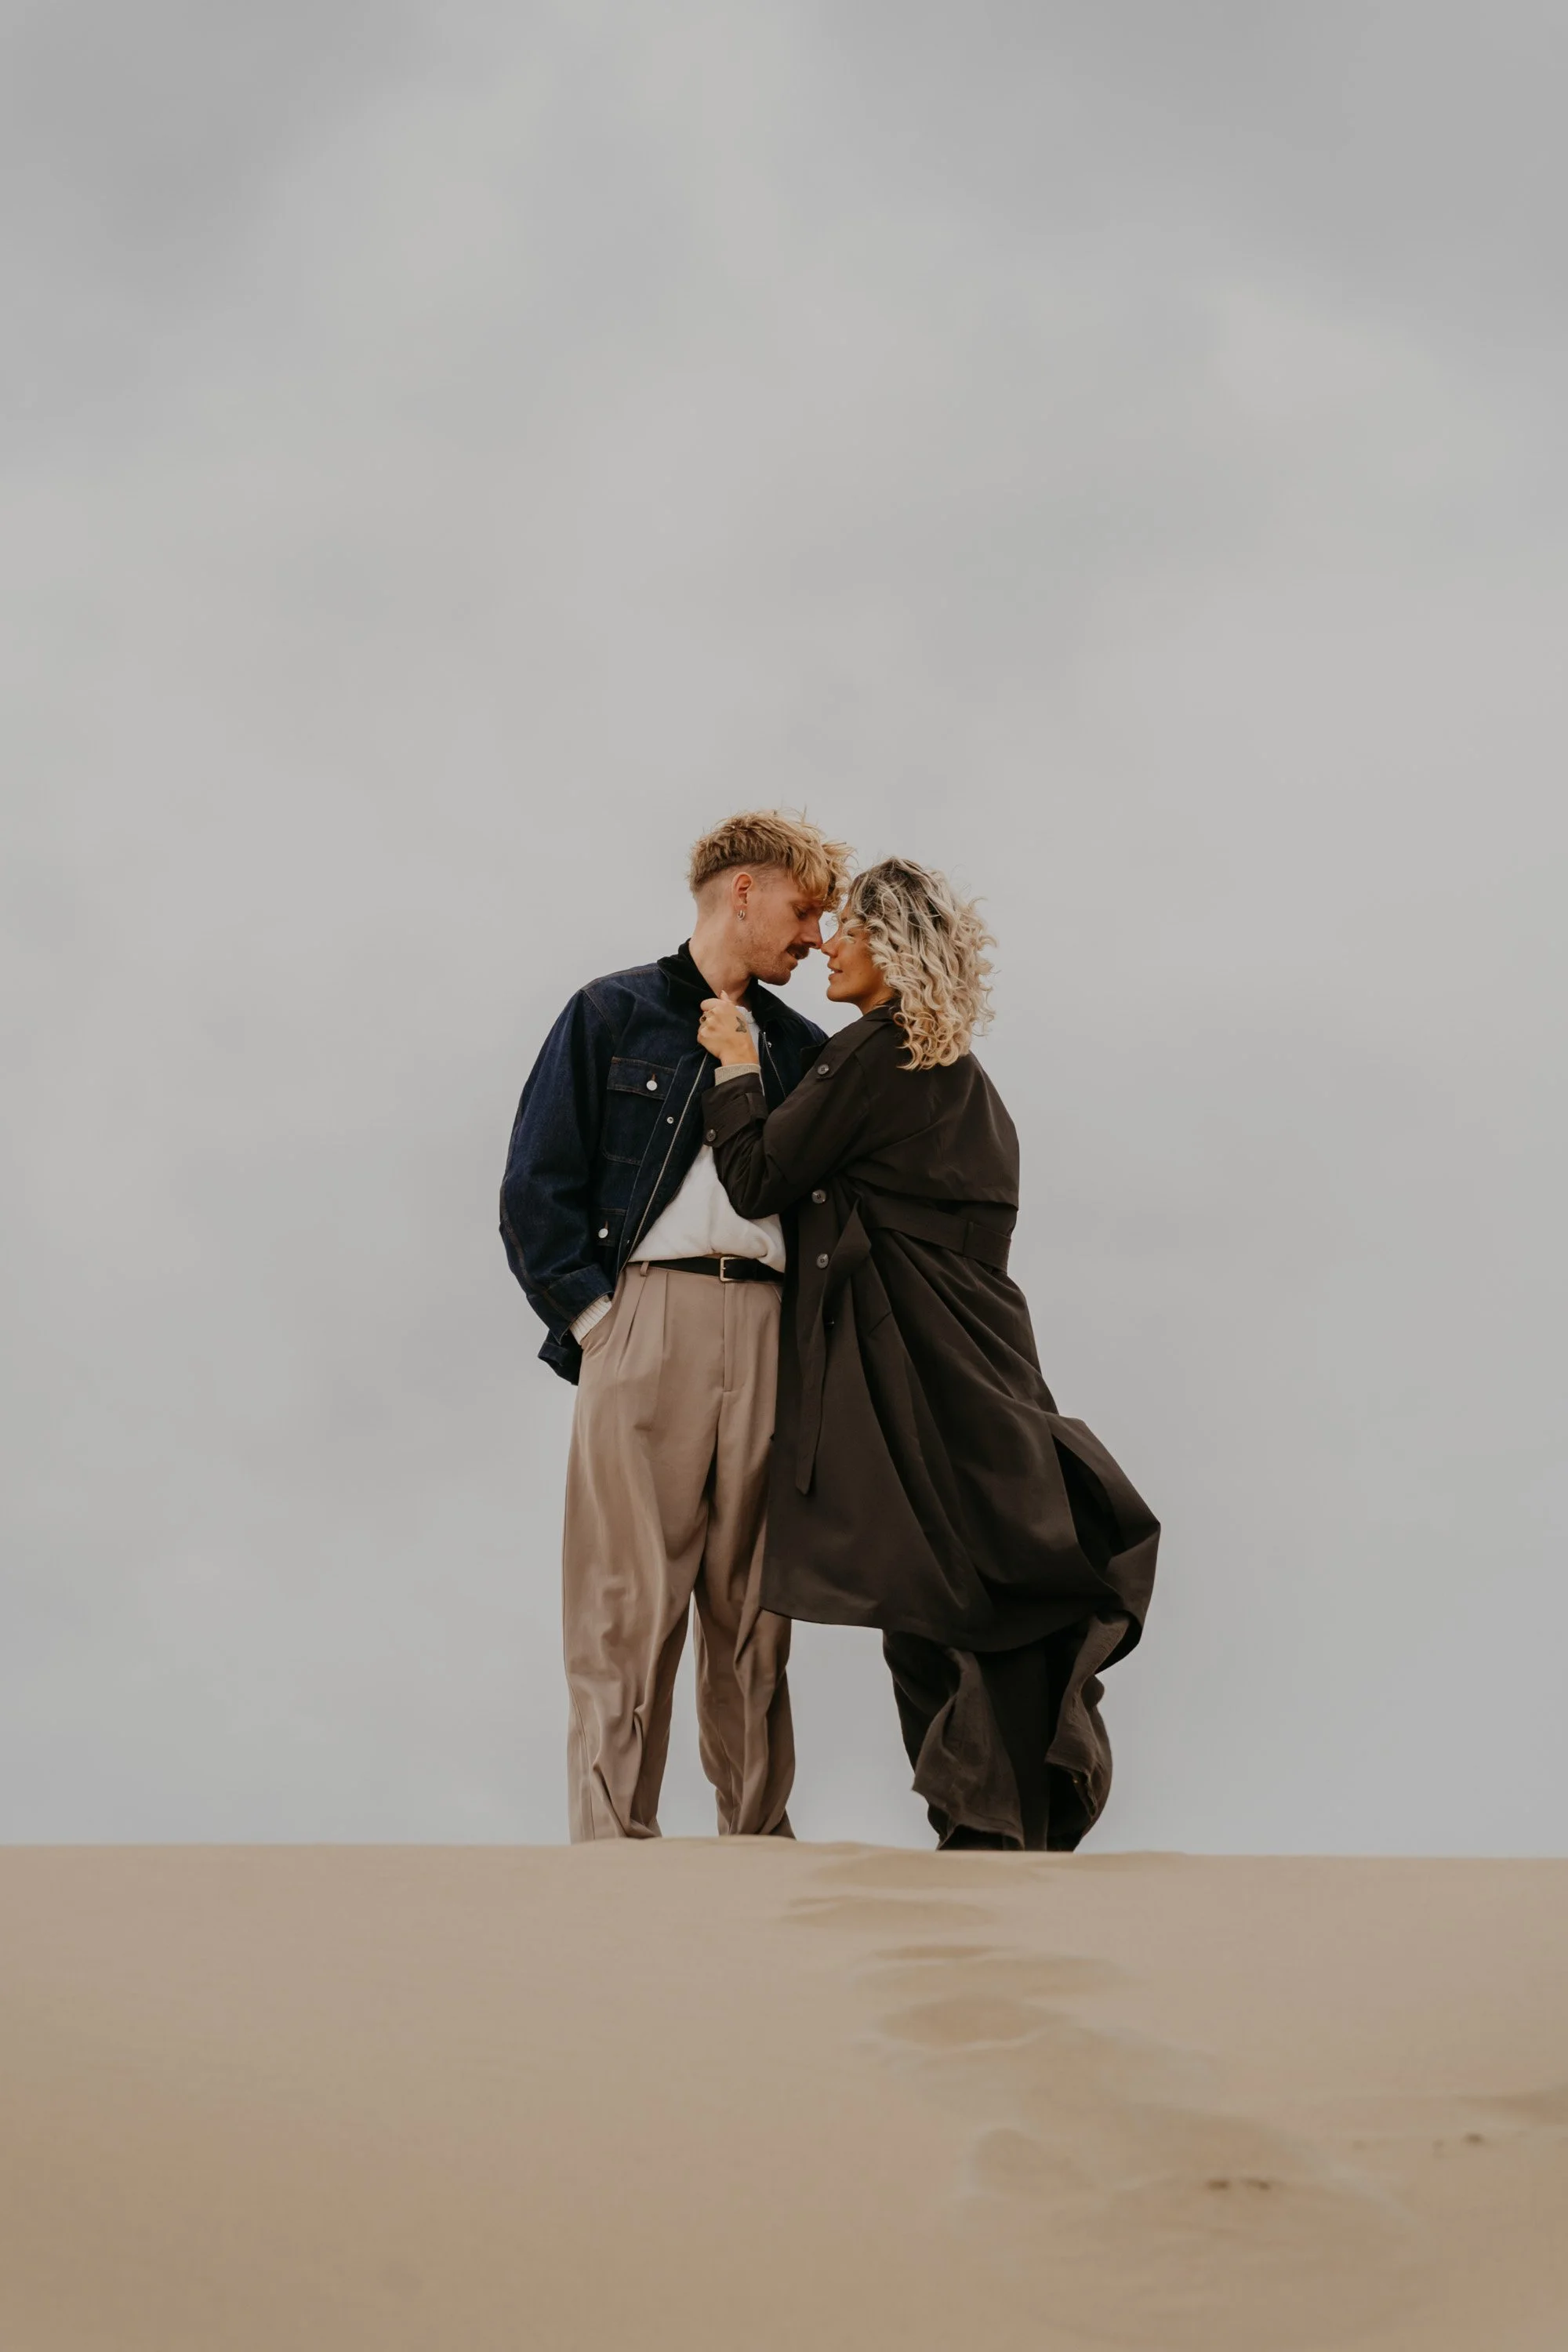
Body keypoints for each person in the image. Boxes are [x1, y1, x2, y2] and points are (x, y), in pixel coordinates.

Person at [696, 857, 1158, 1850]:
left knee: (929, 1597)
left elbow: (759, 1175)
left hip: (905, 1362)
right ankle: (998, 1821)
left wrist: (735, 1067)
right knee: (974, 1574)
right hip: (988, 1363)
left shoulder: (871, 1052)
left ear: (893, 947)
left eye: (849, 929)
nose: (828, 944)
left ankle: (980, 1831)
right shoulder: (969, 1084)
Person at [499, 811, 850, 1842]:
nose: (817, 936)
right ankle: (612, 1851)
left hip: (772, 1330)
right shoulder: (609, 1013)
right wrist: (597, 1321)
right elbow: (535, 1188)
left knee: (757, 1611)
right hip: (642, 1320)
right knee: (625, 1601)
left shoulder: (804, 1051)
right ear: (744, 891)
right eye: (804, 909)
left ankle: (756, 1845)